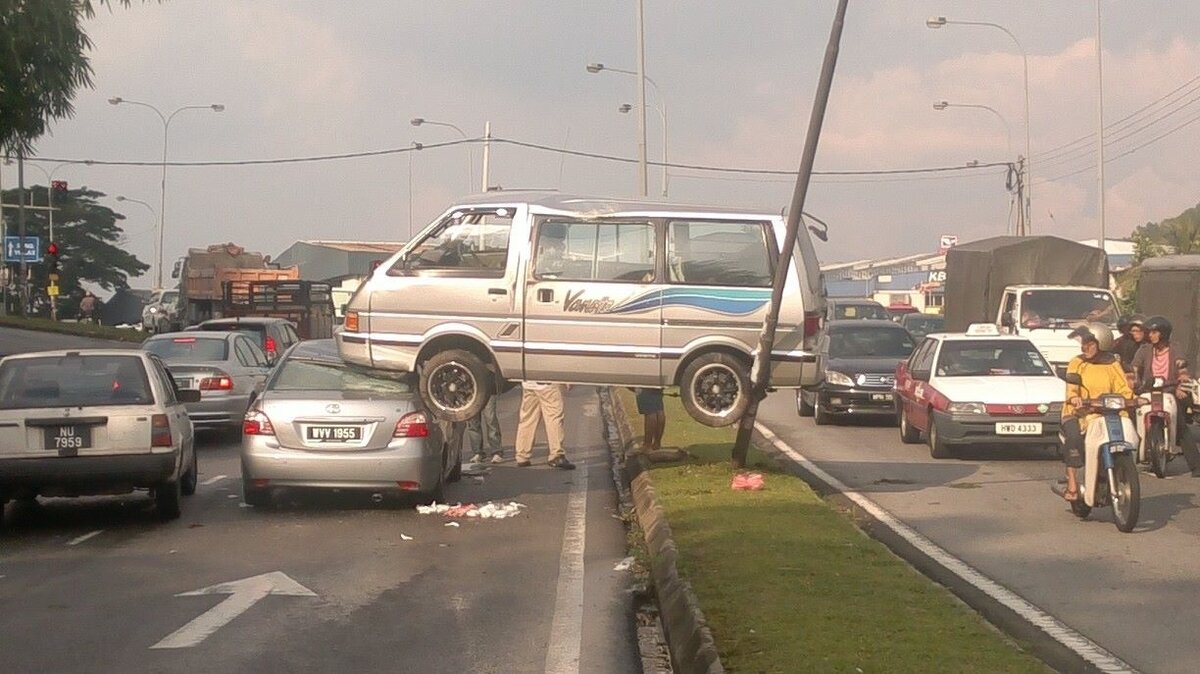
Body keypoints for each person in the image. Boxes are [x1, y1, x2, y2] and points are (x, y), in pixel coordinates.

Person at [1060, 323, 1134, 502]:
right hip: (1079, 412)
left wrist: (1133, 398)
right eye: (1084, 343)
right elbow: (1072, 388)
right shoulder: (1077, 362)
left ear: (1102, 343)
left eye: (1090, 343)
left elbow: (1123, 387)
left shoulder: (1112, 363)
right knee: (1075, 438)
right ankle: (1072, 482)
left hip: (1108, 412)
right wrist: (1074, 398)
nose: (1085, 347)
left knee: (1128, 429)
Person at [514, 381, 576, 470]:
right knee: (554, 417)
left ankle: (522, 455)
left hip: (528, 383)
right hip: (547, 382)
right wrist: (567, 379)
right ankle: (556, 454)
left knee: (527, 419)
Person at [466, 395, 504, 465]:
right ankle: (478, 452)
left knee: (490, 419)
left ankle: (497, 451)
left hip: (488, 390)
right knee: (473, 422)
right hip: (470, 391)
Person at [635, 388, 666, 453]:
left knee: (650, 412)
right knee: (659, 409)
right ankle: (657, 443)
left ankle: (647, 445)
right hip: (657, 382)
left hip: (645, 382)